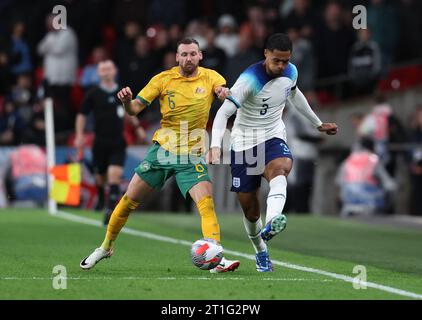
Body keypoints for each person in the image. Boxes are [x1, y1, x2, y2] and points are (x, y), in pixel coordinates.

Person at [80, 38, 240, 273]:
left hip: (192, 156)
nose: (188, 58)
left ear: (200, 56)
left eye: (193, 54)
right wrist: (126, 102)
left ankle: (216, 256)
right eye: (184, 54)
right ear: (177, 57)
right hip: (163, 151)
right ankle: (105, 247)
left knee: (206, 204)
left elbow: (219, 89)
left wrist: (222, 92)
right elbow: (135, 109)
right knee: (127, 201)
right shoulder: (162, 79)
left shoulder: (211, 76)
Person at [209, 33, 338, 272]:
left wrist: (317, 123)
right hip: (245, 143)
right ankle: (261, 251)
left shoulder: (291, 72)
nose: (281, 66)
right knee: (249, 207)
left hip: (273, 136)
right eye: (276, 60)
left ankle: (272, 222)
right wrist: (215, 145)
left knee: (281, 169)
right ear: (266, 54)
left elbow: (294, 94)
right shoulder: (248, 80)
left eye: (285, 61)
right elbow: (222, 114)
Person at [75, 60, 129, 225]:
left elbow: (130, 110)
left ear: (115, 71)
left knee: (114, 176)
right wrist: (79, 135)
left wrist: (137, 127)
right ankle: (100, 196)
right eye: (102, 69)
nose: (106, 72)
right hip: (100, 143)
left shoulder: (122, 92)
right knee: (100, 178)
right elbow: (82, 115)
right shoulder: (93, 93)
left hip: (118, 141)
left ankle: (110, 209)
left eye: (109, 69)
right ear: (98, 73)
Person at [336, 137, 397, 217]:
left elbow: (338, 181)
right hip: (370, 204)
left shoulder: (349, 160)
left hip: (348, 203)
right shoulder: (373, 159)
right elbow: (389, 184)